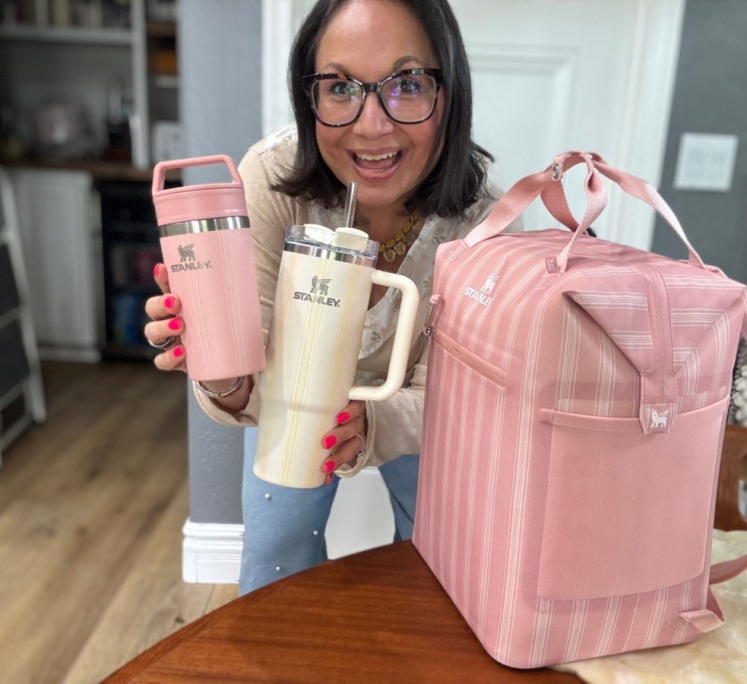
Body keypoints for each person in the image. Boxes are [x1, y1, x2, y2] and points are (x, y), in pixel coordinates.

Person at [145, 0, 516, 594]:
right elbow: (255, 380)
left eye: (409, 83)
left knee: (435, 573)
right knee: (273, 567)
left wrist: (375, 424)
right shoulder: (270, 181)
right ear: (308, 95)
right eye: (341, 86)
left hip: (427, 407)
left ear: (450, 94)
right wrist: (220, 366)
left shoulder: (488, 226)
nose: (372, 125)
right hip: (290, 394)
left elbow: (459, 397)